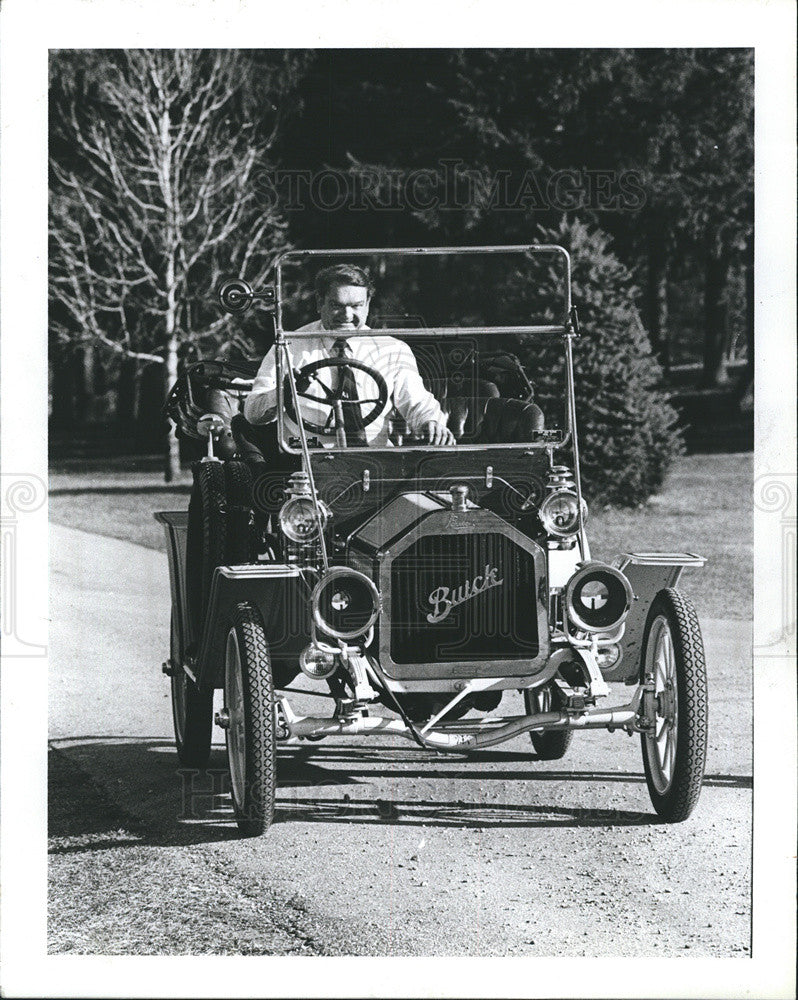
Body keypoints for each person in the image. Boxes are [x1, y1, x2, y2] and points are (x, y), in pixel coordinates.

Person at [242, 263, 456, 447]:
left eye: (356, 306)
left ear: (368, 305)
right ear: (319, 303)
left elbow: (417, 401)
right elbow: (252, 412)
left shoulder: (392, 350)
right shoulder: (288, 347)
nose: (347, 315)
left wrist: (431, 423)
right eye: (337, 305)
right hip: (305, 464)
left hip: (374, 463)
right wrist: (284, 393)